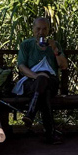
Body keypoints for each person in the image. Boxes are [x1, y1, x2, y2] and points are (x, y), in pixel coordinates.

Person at [15, 16, 68, 144]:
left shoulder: (54, 45)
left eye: (44, 29)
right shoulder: (26, 45)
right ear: (33, 29)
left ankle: (30, 114)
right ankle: (50, 134)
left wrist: (55, 50)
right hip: (31, 81)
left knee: (45, 83)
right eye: (38, 29)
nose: (41, 32)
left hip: (51, 80)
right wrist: (36, 76)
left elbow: (63, 66)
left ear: (48, 30)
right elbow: (21, 66)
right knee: (45, 92)